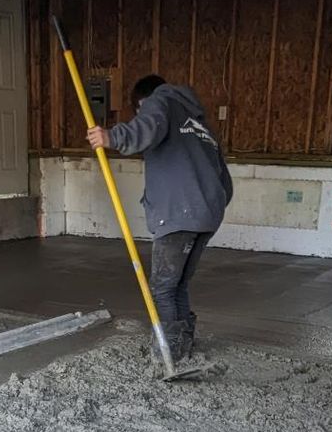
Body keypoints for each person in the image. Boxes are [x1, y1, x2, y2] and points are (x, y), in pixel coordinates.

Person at [88, 74, 234, 362]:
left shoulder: (161, 101)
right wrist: (207, 207)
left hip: (180, 213)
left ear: (143, 103)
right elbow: (224, 181)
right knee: (177, 284)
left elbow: (148, 125)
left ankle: (169, 353)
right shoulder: (197, 123)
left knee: (163, 288)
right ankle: (183, 345)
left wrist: (112, 137)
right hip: (207, 215)